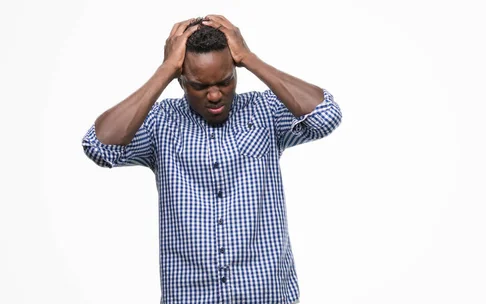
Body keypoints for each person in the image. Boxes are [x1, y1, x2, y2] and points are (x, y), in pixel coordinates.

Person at [81, 15, 342, 304]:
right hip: (189, 296)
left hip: (265, 294)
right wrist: (165, 69)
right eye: (199, 86)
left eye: (225, 81)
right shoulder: (160, 122)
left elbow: (325, 117)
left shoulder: (264, 111)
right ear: (180, 80)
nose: (215, 95)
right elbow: (99, 147)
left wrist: (249, 57)